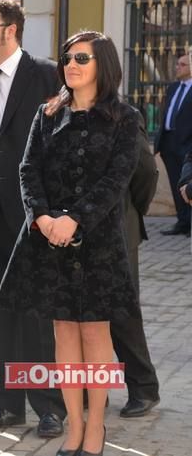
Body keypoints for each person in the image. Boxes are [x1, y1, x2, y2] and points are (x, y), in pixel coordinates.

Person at [0, 30, 143, 456]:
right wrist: (42, 217)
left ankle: (96, 427)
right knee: (62, 333)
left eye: (82, 58)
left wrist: (75, 220)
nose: (71, 65)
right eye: (67, 58)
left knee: (96, 334)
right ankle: (73, 426)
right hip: (48, 240)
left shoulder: (124, 117)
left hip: (97, 244)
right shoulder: (48, 113)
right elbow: (27, 170)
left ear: (104, 65)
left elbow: (117, 180)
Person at [0, 0, 66, 437]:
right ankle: (6, 404)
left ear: (11, 31)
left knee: (35, 313)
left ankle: (49, 406)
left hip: (29, 213)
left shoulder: (46, 76)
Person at [113, 127, 161, 418]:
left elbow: (146, 172)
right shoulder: (62, 111)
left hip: (120, 229)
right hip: (78, 229)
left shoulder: (125, 116)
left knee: (123, 313)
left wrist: (131, 211)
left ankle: (143, 387)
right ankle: (89, 388)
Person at [155, 53, 192, 236]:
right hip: (169, 143)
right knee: (175, 184)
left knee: (188, 184)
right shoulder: (173, 87)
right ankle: (182, 222)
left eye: (183, 65)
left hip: (187, 145)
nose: (178, 67)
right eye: (177, 64)